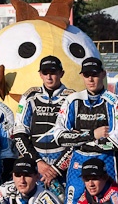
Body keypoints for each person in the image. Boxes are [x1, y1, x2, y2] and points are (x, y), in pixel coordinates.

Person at [53, 57, 118, 204]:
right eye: (87, 75)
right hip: (78, 162)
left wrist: (77, 138)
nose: (91, 79)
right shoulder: (72, 100)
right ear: (82, 76)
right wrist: (93, 134)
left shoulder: (116, 102)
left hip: (105, 161)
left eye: (95, 74)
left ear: (103, 74)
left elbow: (115, 142)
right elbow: (59, 137)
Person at [13, 55, 75, 190]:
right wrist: (37, 162)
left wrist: (57, 168)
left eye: (53, 72)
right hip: (36, 165)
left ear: (61, 73)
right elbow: (19, 133)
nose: (49, 77)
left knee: (64, 201)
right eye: (45, 73)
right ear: (40, 74)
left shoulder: (72, 98)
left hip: (63, 166)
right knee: (35, 200)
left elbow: (77, 137)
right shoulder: (30, 96)